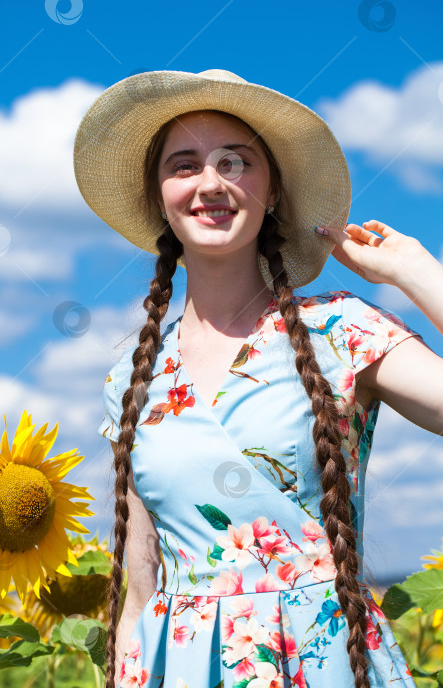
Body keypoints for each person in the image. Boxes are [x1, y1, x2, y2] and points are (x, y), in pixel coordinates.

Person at [73, 69, 443, 688]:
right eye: (184, 164)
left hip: (330, 661)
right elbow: (139, 598)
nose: (210, 183)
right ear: (160, 195)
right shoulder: (134, 377)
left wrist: (415, 271)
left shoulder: (343, 331)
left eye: (234, 162)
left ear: (272, 191)